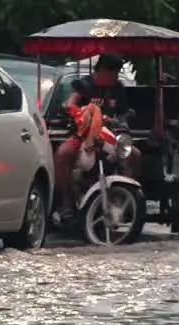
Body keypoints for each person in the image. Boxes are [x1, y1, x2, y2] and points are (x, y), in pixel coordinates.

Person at [52, 53, 144, 218]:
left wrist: (119, 121)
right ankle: (65, 201)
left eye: (117, 73)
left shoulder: (117, 89)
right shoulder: (83, 85)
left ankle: (124, 200)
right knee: (62, 154)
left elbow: (123, 114)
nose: (115, 77)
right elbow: (70, 103)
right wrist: (79, 113)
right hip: (83, 135)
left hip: (109, 134)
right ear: (102, 70)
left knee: (134, 155)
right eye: (113, 73)